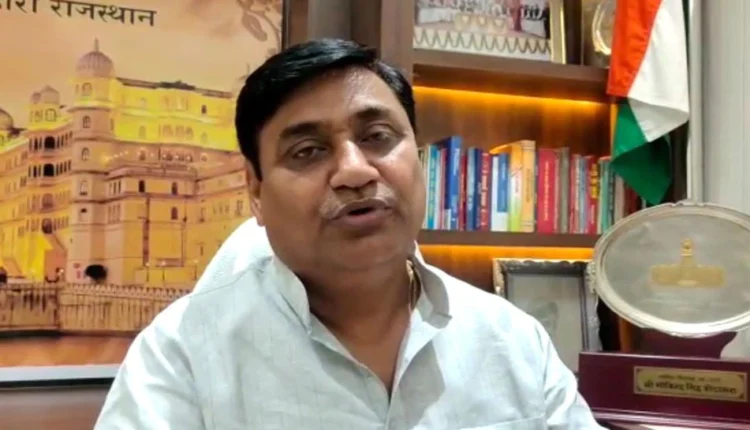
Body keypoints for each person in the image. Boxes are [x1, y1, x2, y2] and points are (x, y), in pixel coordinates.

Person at [94, 38, 604, 429]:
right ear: (255, 191)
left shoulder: (512, 340)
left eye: (378, 137)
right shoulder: (182, 355)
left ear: (419, 157)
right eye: (308, 151)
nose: (355, 171)